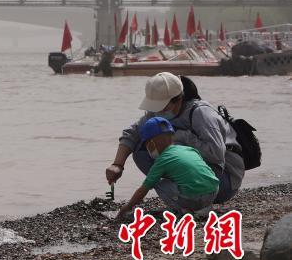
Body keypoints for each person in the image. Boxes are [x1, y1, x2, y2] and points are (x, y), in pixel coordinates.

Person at [105, 72, 244, 207]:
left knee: (167, 149)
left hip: (223, 180)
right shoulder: (156, 113)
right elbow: (132, 134)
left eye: (162, 107)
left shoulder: (201, 113)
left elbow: (216, 154)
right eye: (155, 107)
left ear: (178, 99)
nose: (158, 113)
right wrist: (118, 165)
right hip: (193, 176)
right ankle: (184, 198)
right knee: (141, 150)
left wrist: (182, 137)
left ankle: (190, 201)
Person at [114, 117, 219, 221]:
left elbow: (143, 190)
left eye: (146, 144)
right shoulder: (188, 149)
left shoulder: (162, 160)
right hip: (213, 192)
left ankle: (184, 210)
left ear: (151, 143)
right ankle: (204, 207)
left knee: (157, 183)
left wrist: (127, 207)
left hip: (194, 198)